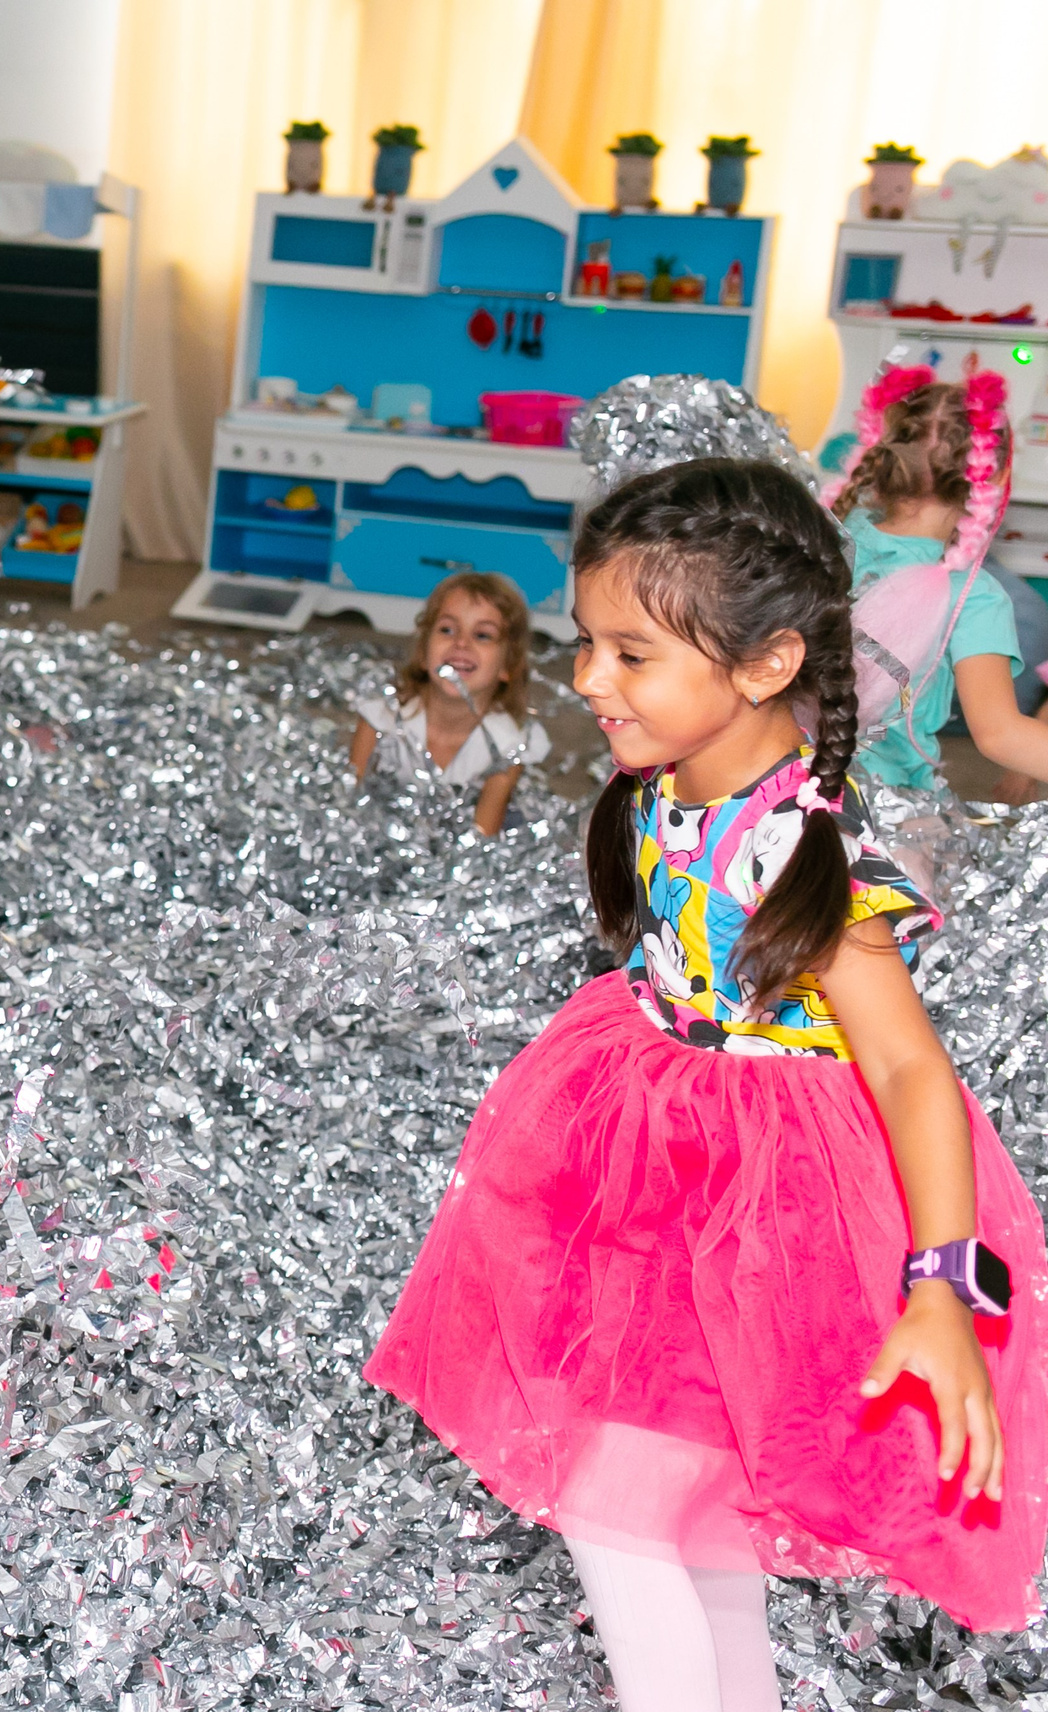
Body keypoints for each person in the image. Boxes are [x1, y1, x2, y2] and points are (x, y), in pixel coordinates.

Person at [367, 460, 1048, 1711]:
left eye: (630, 653)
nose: (585, 681)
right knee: (704, 1538)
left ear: (766, 663)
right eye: (585, 644)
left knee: (615, 1513)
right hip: (644, 1176)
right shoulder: (662, 785)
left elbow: (908, 1069)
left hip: (774, 1216)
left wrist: (944, 1285)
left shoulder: (805, 847)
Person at [830, 365, 1048, 798]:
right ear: (997, 475)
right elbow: (1000, 734)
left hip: (777, 788)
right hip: (886, 808)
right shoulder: (974, 597)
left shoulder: (829, 538)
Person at [348, 570, 548, 836]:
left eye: (483, 635)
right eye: (447, 629)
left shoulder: (509, 745)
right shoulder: (381, 717)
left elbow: (482, 836)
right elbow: (348, 802)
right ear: (422, 653)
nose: (461, 643)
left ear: (507, 667)